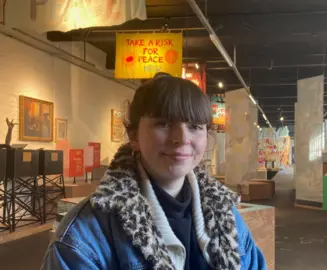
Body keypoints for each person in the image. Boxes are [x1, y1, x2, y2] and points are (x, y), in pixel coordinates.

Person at [42, 73, 267, 270]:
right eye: (164, 124)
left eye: (195, 127)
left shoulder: (225, 215)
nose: (182, 139)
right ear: (133, 136)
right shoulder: (88, 231)